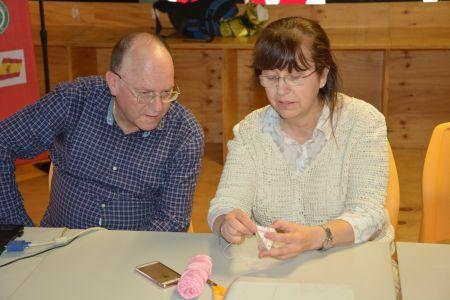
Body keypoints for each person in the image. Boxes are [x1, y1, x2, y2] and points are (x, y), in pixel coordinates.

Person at [208, 17, 393, 259]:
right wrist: (226, 222)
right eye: (272, 78)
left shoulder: (363, 122)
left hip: (354, 260)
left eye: (295, 76)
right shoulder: (250, 132)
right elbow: (224, 204)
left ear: (323, 75)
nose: (282, 90)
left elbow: (369, 213)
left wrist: (315, 237)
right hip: (277, 265)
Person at [0, 32, 204, 232]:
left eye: (166, 93)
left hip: (133, 256)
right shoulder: (75, 100)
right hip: (59, 247)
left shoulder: (184, 134)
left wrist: (123, 258)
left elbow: (172, 221)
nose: (158, 107)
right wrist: (18, 226)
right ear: (113, 83)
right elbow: (3, 141)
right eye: (145, 94)